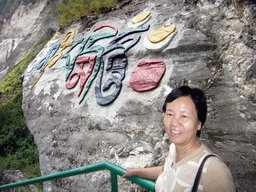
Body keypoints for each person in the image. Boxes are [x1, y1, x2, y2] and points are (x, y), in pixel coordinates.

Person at [122, 86, 236, 192]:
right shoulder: (173, 150)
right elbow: (166, 170)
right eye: (170, 114)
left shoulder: (213, 169)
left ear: (199, 124)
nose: (174, 123)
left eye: (184, 116)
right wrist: (138, 172)